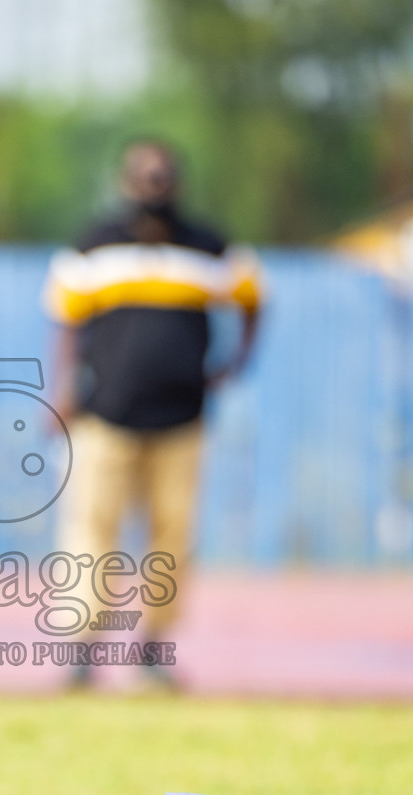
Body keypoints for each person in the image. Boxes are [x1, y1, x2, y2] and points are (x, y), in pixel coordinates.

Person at [44, 139, 264, 691]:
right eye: (144, 176)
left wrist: (235, 363)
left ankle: (152, 652)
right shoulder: (93, 246)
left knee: (171, 537)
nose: (153, 185)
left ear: (177, 184)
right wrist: (63, 391)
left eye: (162, 176)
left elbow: (255, 297)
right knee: (91, 531)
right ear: (126, 182)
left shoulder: (211, 248)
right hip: (105, 416)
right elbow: (65, 320)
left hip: (182, 419)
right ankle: (83, 654)